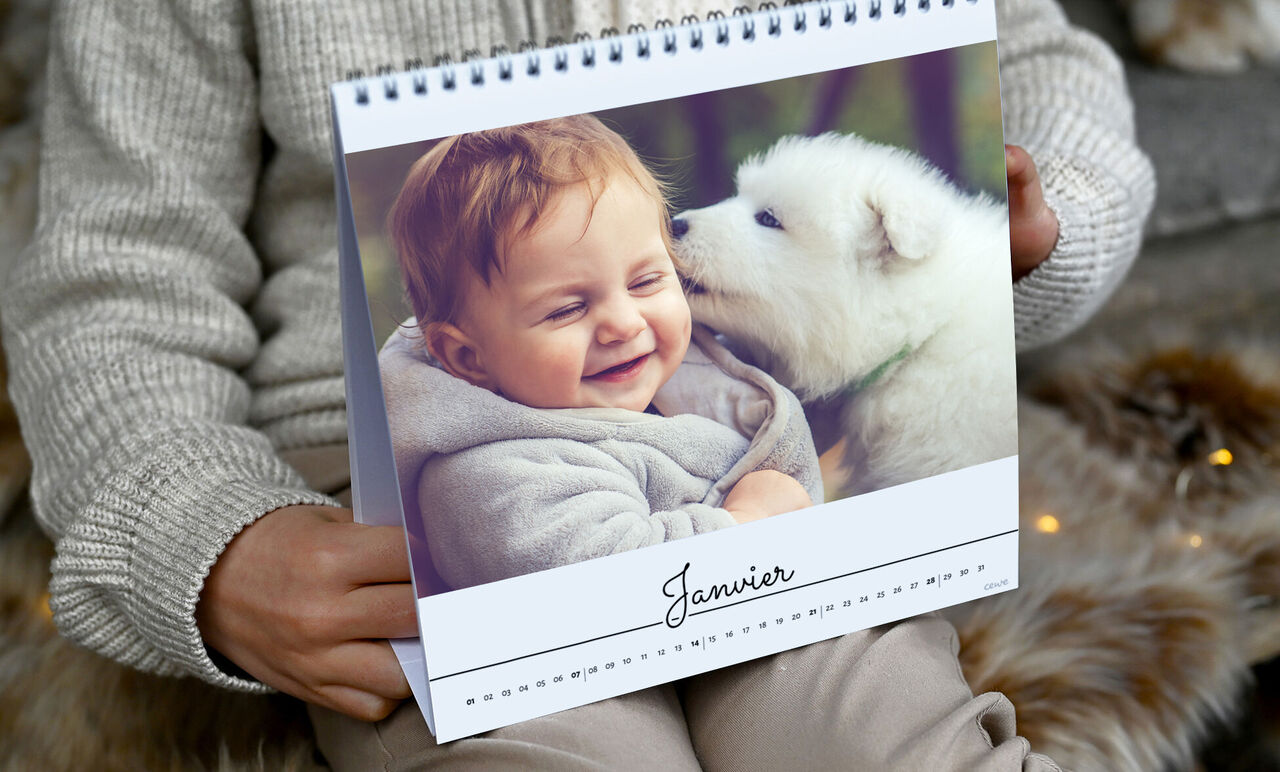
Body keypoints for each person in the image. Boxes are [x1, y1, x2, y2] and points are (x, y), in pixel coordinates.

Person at [0, 0, 1153, 768]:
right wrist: (209, 544)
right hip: (400, 511)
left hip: (730, 436)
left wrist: (1014, 236)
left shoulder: (741, 396)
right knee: (544, 752)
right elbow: (114, 273)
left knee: (875, 730)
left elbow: (1040, 62)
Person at [383, 116, 821, 597]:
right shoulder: (490, 479)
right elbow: (617, 591)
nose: (625, 324)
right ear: (469, 359)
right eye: (568, 309)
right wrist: (749, 522)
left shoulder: (696, 378)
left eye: (646, 281)